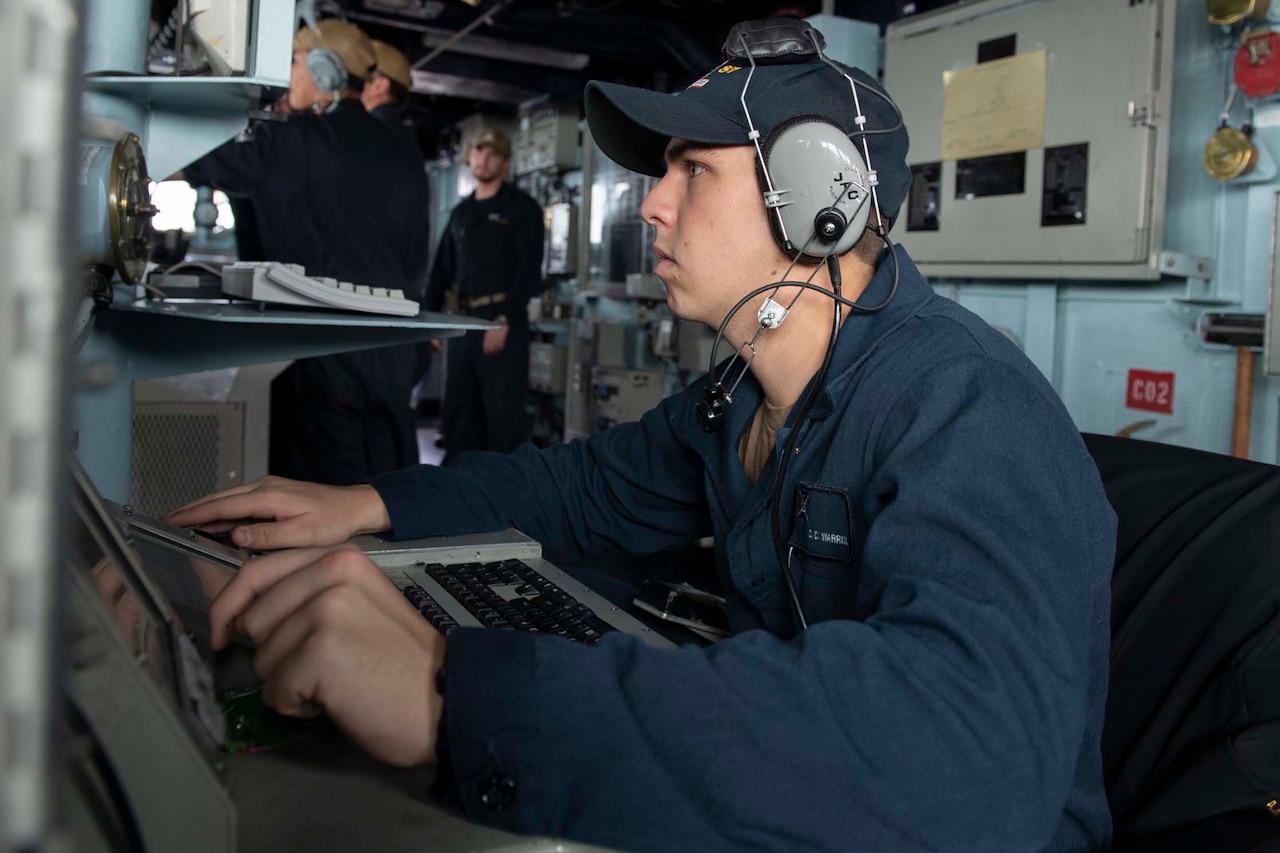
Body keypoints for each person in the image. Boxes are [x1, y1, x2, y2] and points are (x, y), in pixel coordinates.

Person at [168, 19, 1116, 853]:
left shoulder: (964, 401)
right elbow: (578, 489)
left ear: (817, 200)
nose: (654, 202)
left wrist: (456, 700)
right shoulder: (740, 396)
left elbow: (972, 764)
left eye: (693, 170)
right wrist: (369, 502)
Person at [183, 20, 430, 486]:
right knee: (387, 498)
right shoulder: (402, 148)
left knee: (321, 504)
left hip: (329, 355)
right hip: (397, 353)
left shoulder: (301, 142)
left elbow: (201, 154)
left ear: (323, 70)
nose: (288, 75)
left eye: (293, 63)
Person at [425, 128, 545, 461]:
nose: (484, 159)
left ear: (505, 163)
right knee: (459, 416)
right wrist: (429, 321)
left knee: (502, 421)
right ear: (471, 157)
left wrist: (503, 319)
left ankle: (506, 506)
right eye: (479, 152)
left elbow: (527, 272)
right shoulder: (461, 213)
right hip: (465, 325)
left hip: (501, 325)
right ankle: (458, 498)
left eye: (493, 154)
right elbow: (441, 272)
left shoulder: (523, 209)